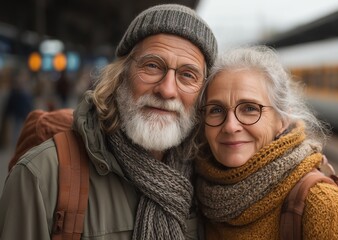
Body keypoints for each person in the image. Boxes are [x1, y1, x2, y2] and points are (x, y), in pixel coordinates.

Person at [0, 4, 217, 239]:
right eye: (152, 66)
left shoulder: (209, 183)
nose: (166, 90)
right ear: (120, 74)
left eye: (187, 75)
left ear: (203, 94)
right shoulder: (42, 175)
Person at [192, 46, 338, 239]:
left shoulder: (322, 204)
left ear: (282, 120)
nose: (230, 126)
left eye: (250, 108)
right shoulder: (195, 191)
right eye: (216, 110)